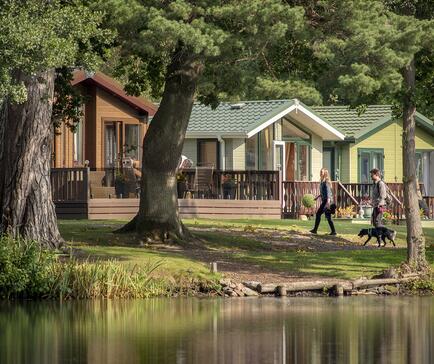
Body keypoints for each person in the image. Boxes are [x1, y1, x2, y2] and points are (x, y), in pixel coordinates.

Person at [310, 168, 336, 235]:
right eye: (320, 172)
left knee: (318, 214)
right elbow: (323, 192)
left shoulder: (326, 181)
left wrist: (328, 202)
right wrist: (317, 197)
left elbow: (328, 192)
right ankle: (333, 231)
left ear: (325, 173)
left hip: (327, 201)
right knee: (328, 216)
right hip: (325, 200)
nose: (320, 173)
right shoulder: (322, 181)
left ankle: (315, 230)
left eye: (322, 172)